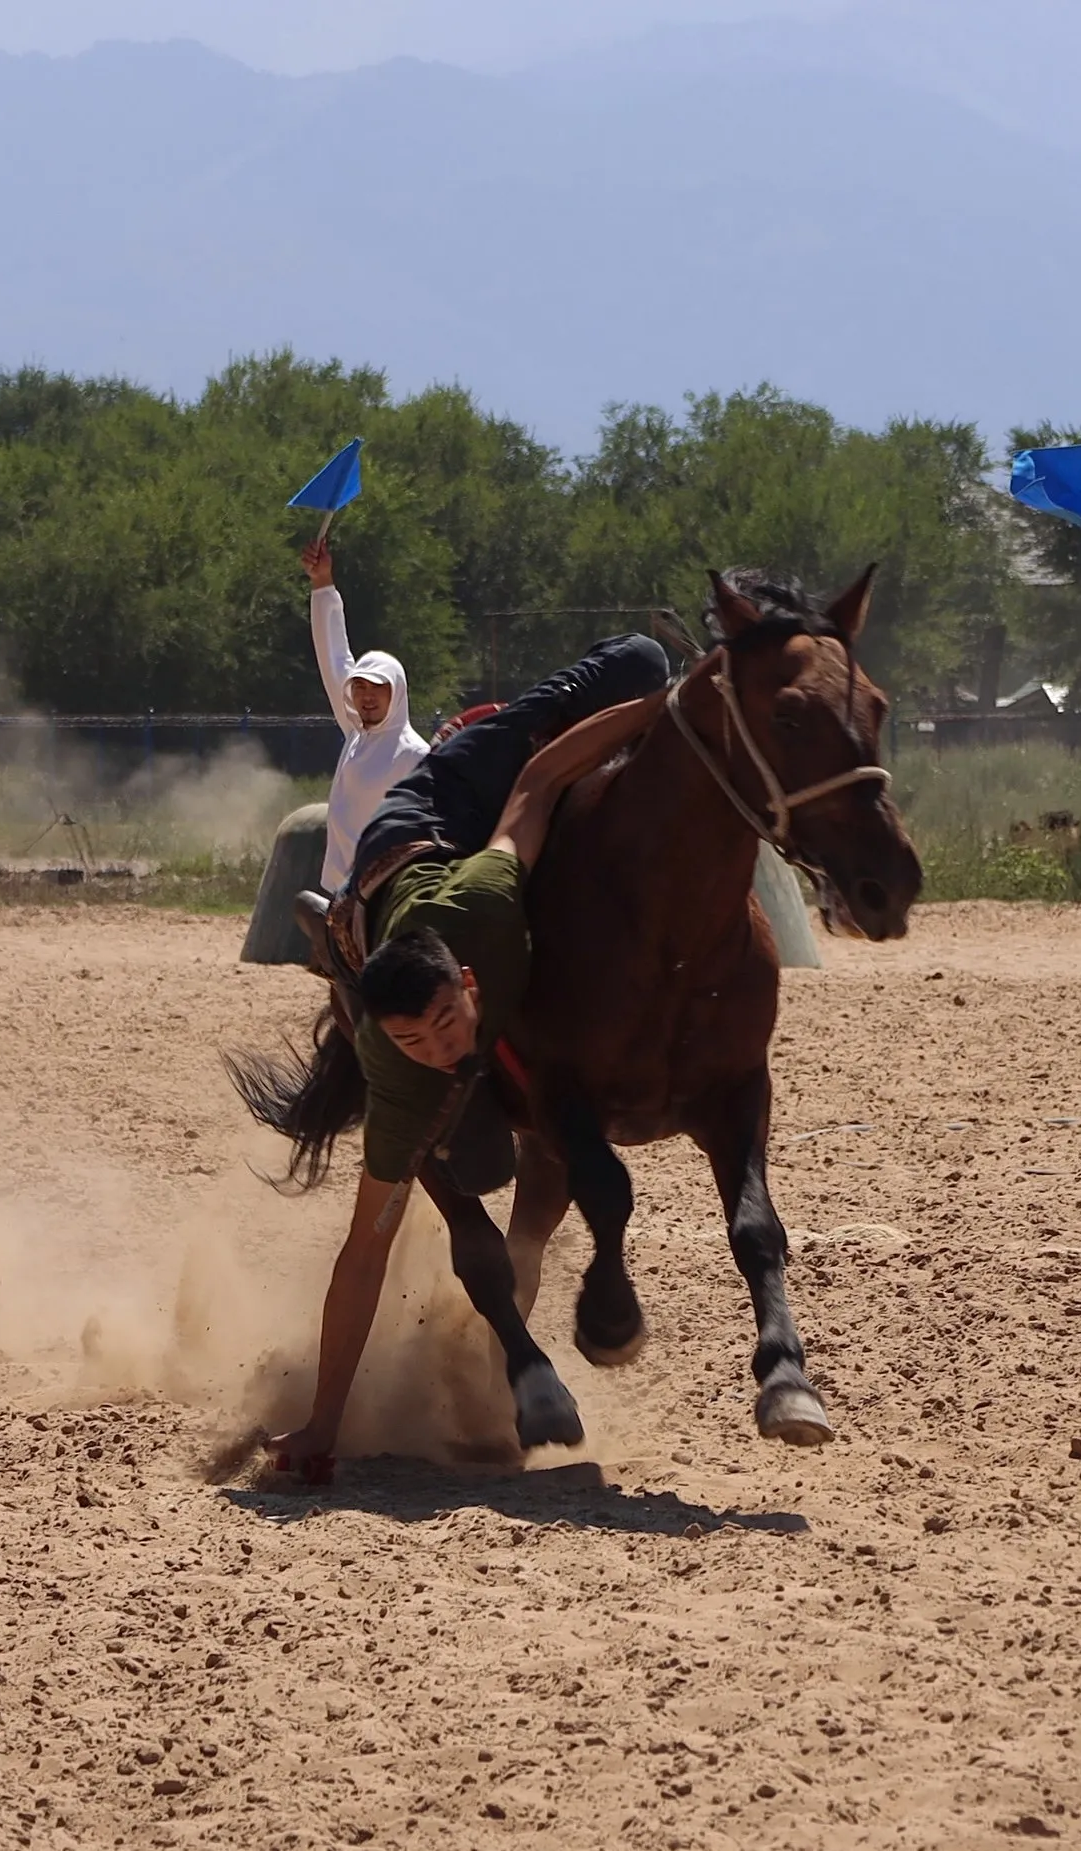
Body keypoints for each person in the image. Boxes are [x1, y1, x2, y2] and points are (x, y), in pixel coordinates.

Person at [267, 630, 674, 1477]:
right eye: (416, 1040)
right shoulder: (399, 1076)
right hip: (402, 868)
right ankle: (342, 933)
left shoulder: (487, 904)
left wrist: (663, 710)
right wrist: (321, 1425)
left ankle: (345, 917)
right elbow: (362, 1253)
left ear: (471, 986)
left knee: (640, 660)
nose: (441, 1049)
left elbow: (532, 779)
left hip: (445, 802)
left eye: (447, 1027)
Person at [304, 539, 430, 896]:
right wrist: (322, 583)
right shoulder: (356, 735)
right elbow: (334, 654)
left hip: (383, 895)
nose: (367, 695)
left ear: (398, 692)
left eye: (378, 687)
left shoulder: (415, 755)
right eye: (359, 687)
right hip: (338, 891)